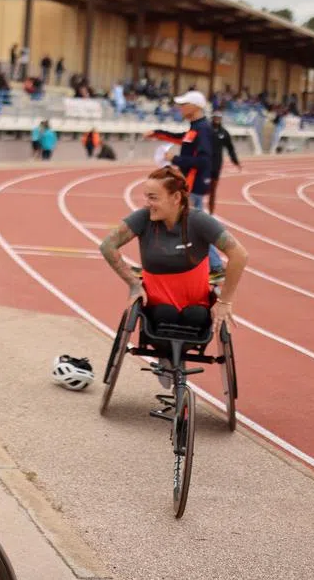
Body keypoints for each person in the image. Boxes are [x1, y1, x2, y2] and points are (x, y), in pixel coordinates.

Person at [98, 166, 248, 386]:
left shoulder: (198, 221)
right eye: (146, 197)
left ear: (176, 197)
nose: (147, 203)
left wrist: (225, 301)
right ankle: (167, 356)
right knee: (163, 314)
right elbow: (107, 246)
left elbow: (240, 255)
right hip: (157, 307)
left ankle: (175, 360)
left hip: (195, 304)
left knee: (196, 316)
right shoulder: (143, 218)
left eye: (153, 197)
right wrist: (133, 284)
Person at [143, 89, 224, 278]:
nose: (179, 108)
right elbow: (180, 138)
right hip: (189, 183)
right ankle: (210, 264)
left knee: (191, 223)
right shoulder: (196, 128)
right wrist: (157, 133)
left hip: (193, 185)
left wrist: (176, 159)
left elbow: (204, 160)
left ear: (195, 107)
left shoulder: (203, 129)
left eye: (183, 104)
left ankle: (215, 264)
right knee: (188, 222)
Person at [209, 112, 242, 215]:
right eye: (215, 117)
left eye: (219, 117)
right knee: (198, 189)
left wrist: (235, 161)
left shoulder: (224, 133)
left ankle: (211, 213)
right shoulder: (206, 130)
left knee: (213, 190)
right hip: (204, 163)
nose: (217, 119)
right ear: (212, 118)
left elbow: (230, 148)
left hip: (216, 164)